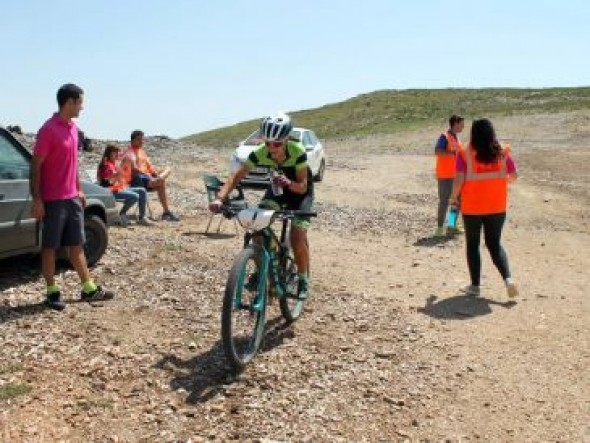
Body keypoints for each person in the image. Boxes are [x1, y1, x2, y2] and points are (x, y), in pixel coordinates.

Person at [209, 112, 314, 300]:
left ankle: (303, 278)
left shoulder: (297, 151)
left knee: (297, 236)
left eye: (277, 144)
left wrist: (289, 183)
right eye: (267, 143)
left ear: (287, 139)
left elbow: (302, 186)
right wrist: (219, 198)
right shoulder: (260, 153)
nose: (271, 148)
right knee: (257, 226)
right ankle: (262, 266)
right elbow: (235, 177)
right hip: (277, 190)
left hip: (299, 192)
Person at [30, 83, 114, 311]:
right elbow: (35, 166)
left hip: (72, 199)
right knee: (50, 248)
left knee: (76, 245)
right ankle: (51, 292)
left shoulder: (73, 130)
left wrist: (79, 189)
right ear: (69, 102)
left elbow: (73, 164)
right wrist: (37, 199)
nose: (82, 107)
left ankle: (88, 289)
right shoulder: (48, 130)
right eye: (80, 102)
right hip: (53, 200)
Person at [449, 118, 518, 298]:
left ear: (473, 133)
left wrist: (453, 197)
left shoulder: (464, 152)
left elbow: (459, 179)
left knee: (473, 245)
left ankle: (475, 286)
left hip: (473, 207)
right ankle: (508, 279)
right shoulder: (502, 151)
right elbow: (513, 176)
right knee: (494, 244)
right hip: (497, 205)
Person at [120, 130, 179, 222]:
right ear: (132, 141)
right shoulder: (128, 153)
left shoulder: (142, 152)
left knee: (167, 170)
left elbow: (149, 166)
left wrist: (154, 174)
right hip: (137, 181)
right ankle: (166, 212)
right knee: (160, 182)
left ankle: (159, 179)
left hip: (147, 178)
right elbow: (132, 171)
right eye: (139, 140)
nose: (141, 142)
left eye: (142, 140)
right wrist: (148, 175)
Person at [97, 144, 154, 227]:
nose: (117, 154)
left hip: (118, 188)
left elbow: (119, 178)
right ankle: (122, 214)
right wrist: (119, 172)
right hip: (110, 190)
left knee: (142, 190)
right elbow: (110, 181)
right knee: (135, 196)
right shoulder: (106, 165)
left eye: (117, 152)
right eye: (115, 152)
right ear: (109, 153)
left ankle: (142, 218)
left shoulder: (113, 164)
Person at [434, 115, 464, 236]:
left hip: (456, 175)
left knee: (456, 201)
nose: (463, 127)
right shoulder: (444, 136)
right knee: (444, 201)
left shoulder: (457, 139)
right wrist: (451, 153)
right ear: (455, 124)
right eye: (461, 124)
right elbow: (437, 151)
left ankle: (451, 226)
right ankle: (440, 229)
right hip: (445, 175)